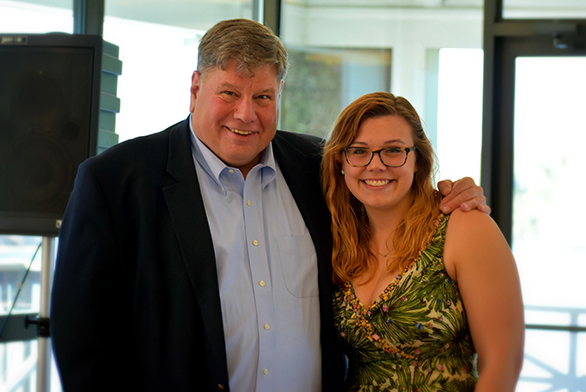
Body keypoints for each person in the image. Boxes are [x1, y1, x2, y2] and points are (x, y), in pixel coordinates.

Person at [50, 19, 488, 392]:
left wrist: (452, 195)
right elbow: (82, 341)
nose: (246, 114)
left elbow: (391, 196)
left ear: (279, 95)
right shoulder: (115, 182)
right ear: (196, 87)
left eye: (262, 97)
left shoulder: (322, 168)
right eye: (229, 93)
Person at [321, 92, 525, 391]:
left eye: (393, 150)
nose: (375, 165)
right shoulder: (339, 237)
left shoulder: (465, 227)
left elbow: (503, 363)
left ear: (418, 159)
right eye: (359, 151)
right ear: (341, 161)